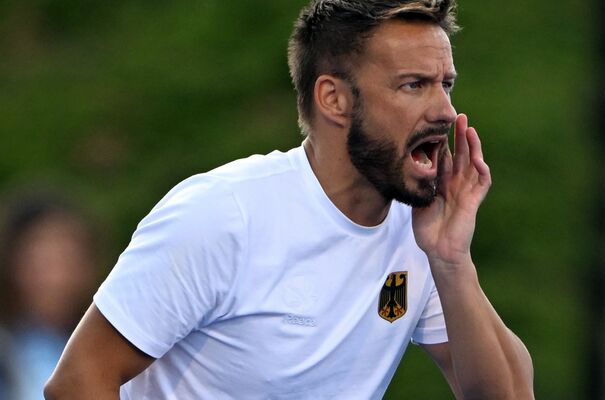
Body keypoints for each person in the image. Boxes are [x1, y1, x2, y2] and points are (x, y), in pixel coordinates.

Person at [45, 1, 535, 399]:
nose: (446, 111)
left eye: (445, 84)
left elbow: (509, 395)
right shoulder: (222, 214)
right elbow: (76, 382)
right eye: (414, 85)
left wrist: (452, 259)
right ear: (333, 99)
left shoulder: (420, 235)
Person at [0, 193, 97, 400]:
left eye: (66, 260)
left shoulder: (107, 344)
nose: (55, 279)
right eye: (40, 264)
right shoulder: (8, 351)